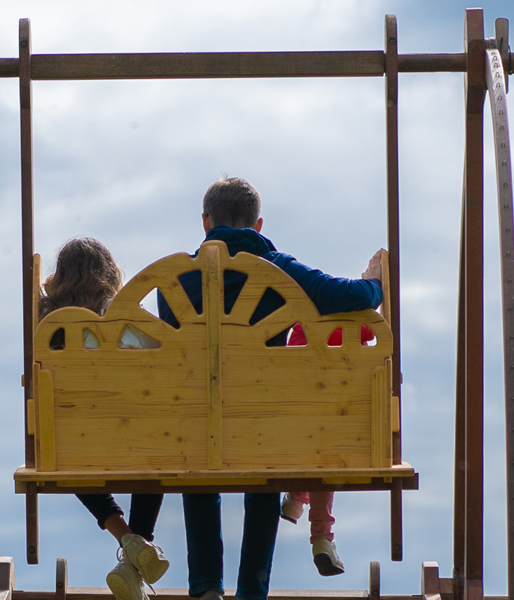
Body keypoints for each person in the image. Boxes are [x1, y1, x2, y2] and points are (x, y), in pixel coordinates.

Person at [158, 177, 384, 600]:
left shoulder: (175, 281)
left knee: (199, 457)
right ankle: (252, 590)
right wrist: (375, 282)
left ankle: (206, 584)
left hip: (194, 419)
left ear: (205, 222)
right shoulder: (276, 266)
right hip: (262, 422)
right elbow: (351, 296)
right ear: (258, 225)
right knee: (265, 465)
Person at [39, 237, 167, 600]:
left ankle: (128, 542)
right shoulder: (122, 312)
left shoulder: (47, 322)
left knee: (64, 454)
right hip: (131, 430)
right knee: (156, 453)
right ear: (108, 274)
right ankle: (135, 551)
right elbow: (162, 350)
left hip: (76, 438)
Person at [280, 324, 375, 577]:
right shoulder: (356, 327)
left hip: (293, 426)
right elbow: (372, 333)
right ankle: (322, 538)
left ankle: (296, 498)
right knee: (327, 456)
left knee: (307, 442)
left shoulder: (300, 327)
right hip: (341, 424)